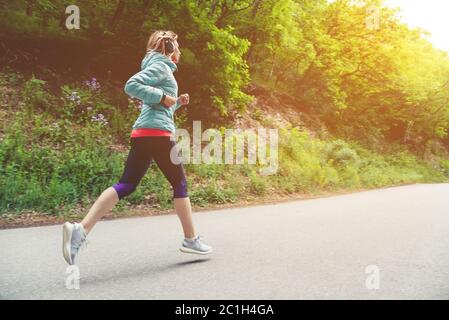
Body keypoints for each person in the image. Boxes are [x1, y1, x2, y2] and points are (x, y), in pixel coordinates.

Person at [62, 30, 212, 266]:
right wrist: (163, 96)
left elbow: (158, 109)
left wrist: (175, 104)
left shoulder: (159, 67)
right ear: (170, 48)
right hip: (158, 135)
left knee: (126, 184)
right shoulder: (161, 66)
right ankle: (191, 239)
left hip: (145, 132)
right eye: (177, 46)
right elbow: (131, 85)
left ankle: (80, 230)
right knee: (180, 184)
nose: (180, 51)